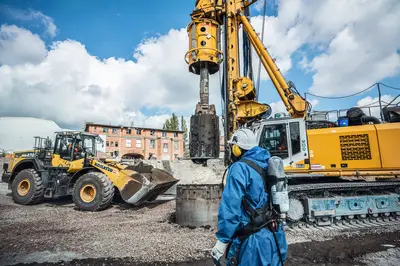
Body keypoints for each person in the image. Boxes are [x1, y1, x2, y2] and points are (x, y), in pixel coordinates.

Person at [211, 128, 288, 266]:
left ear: (237, 149)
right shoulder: (267, 163)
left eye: (231, 147)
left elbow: (230, 207)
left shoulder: (239, 168)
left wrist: (222, 240)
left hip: (252, 243)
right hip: (275, 235)